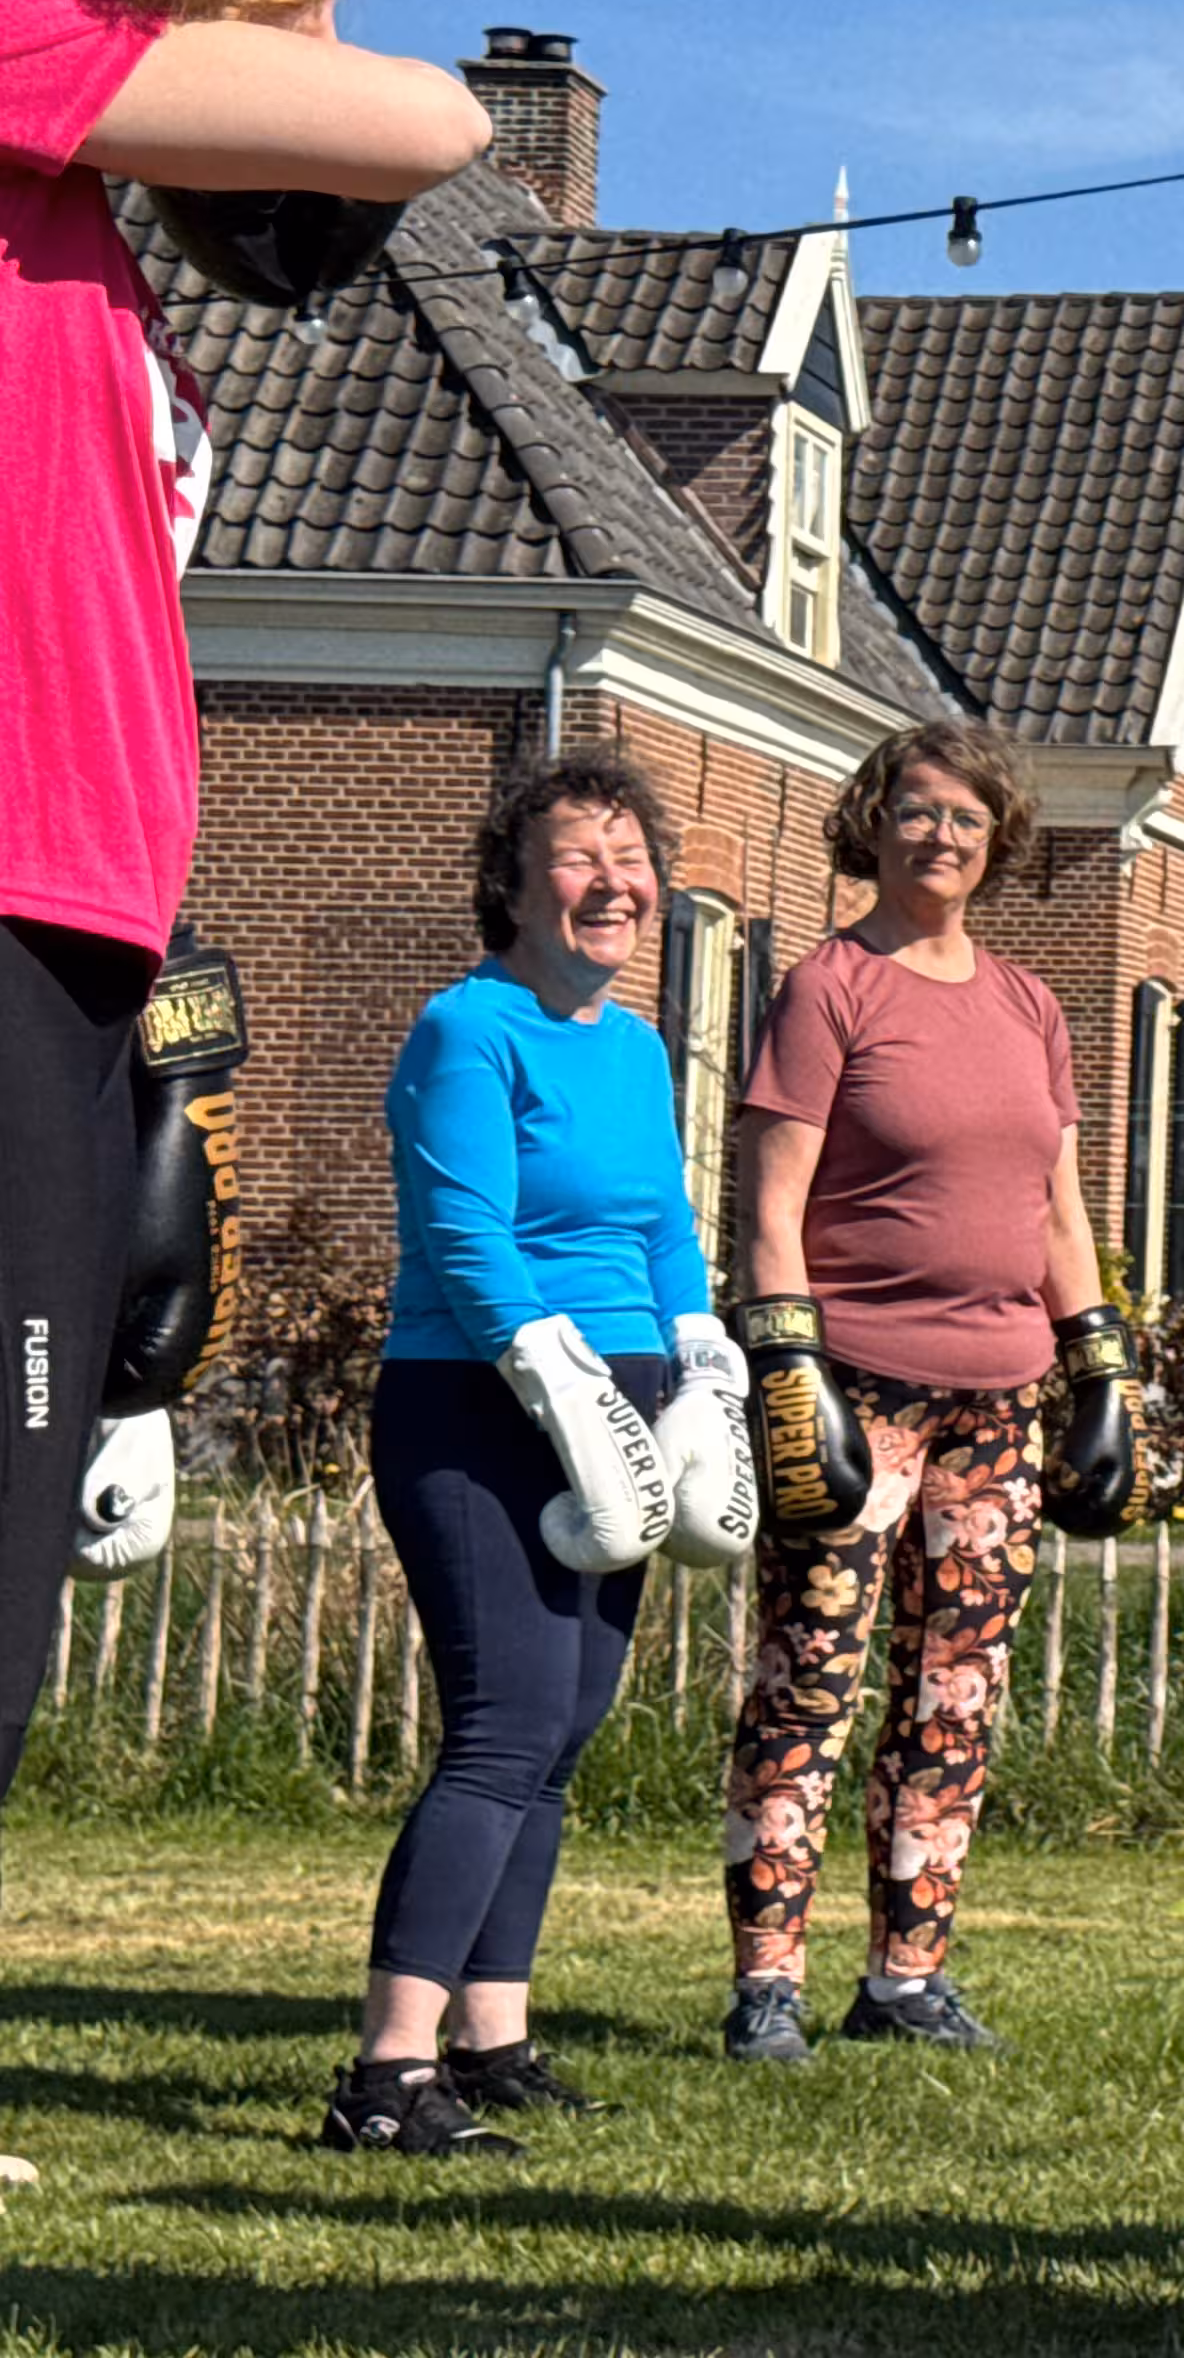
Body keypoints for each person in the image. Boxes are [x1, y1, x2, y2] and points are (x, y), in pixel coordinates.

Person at [0, 0, 486, 1825]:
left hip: (76, 913)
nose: (326, 35)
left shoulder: (71, 203)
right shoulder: (5, 35)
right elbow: (444, 122)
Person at [324, 750, 745, 2155]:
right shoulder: (468, 1030)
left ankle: (492, 2034)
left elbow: (665, 1222)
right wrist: (552, 1375)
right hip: (480, 1398)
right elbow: (466, 1232)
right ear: (511, 886)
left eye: (633, 859)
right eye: (579, 857)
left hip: (624, 1395)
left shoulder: (631, 1047)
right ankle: (389, 2074)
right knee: (502, 1728)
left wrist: (695, 1358)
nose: (614, 882)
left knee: (561, 1735)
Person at [722, 720, 1140, 2065]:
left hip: (999, 1403)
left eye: (966, 819)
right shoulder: (831, 988)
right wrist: (789, 1372)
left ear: (997, 840)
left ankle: (906, 1979)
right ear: (876, 825)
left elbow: (1061, 1211)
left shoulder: (1028, 1006)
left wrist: (1100, 1375)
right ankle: (767, 1987)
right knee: (812, 1679)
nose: (941, 838)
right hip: (857, 1388)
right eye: (916, 813)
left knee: (953, 1692)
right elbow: (770, 1201)